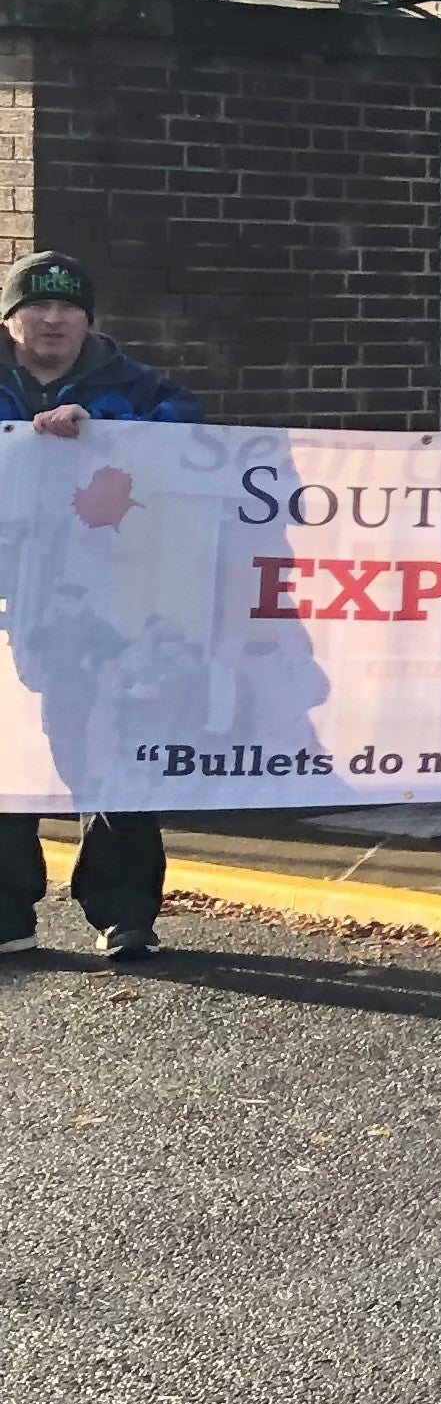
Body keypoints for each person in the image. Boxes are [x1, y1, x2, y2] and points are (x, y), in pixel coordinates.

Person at [0, 253, 201, 965]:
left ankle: (124, 914)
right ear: (10, 317)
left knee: (113, 747)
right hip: (5, 601)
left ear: (89, 318)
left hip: (107, 602)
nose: (52, 319)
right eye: (36, 306)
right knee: (5, 756)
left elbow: (193, 434)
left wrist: (108, 428)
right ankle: (6, 912)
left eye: (67, 307)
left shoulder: (136, 388)